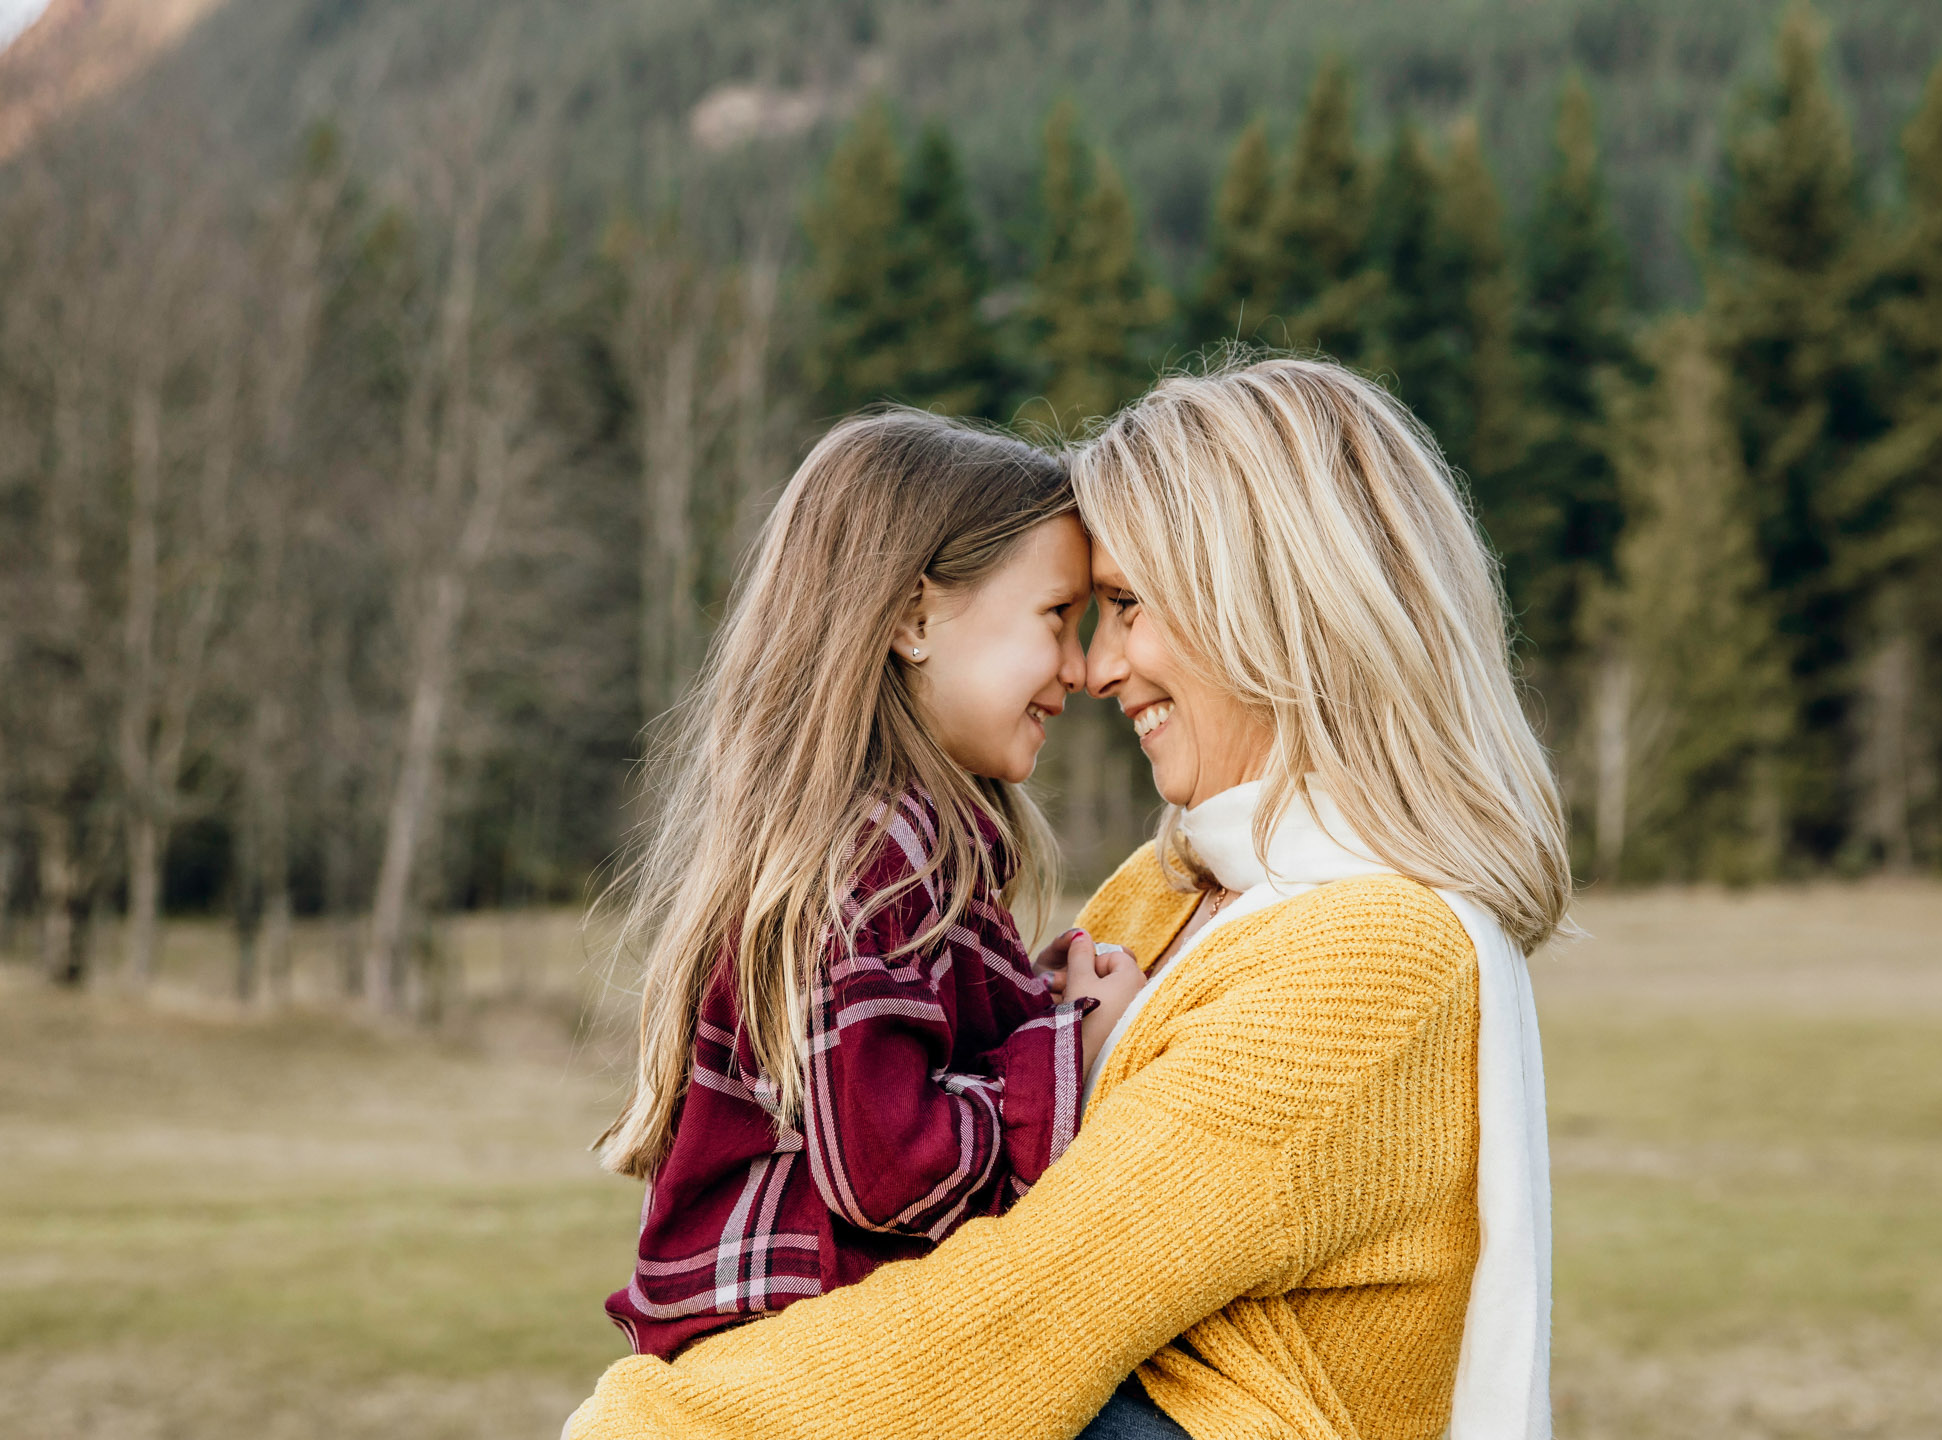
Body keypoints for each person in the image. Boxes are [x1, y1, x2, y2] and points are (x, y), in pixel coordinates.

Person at [565, 357, 1573, 1440]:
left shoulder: (1374, 955)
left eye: (1127, 606)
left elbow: (1024, 1313)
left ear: (1270, 610)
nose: (1095, 670)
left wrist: (646, 1427)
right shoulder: (1168, 890)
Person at [593, 408, 1147, 1359]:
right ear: (911, 617)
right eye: (1057, 617)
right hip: (786, 1337)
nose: (1079, 669)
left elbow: (889, 1077)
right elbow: (888, 1166)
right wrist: (1074, 1046)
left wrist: (1026, 1005)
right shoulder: (878, 852)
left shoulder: (895, 844)